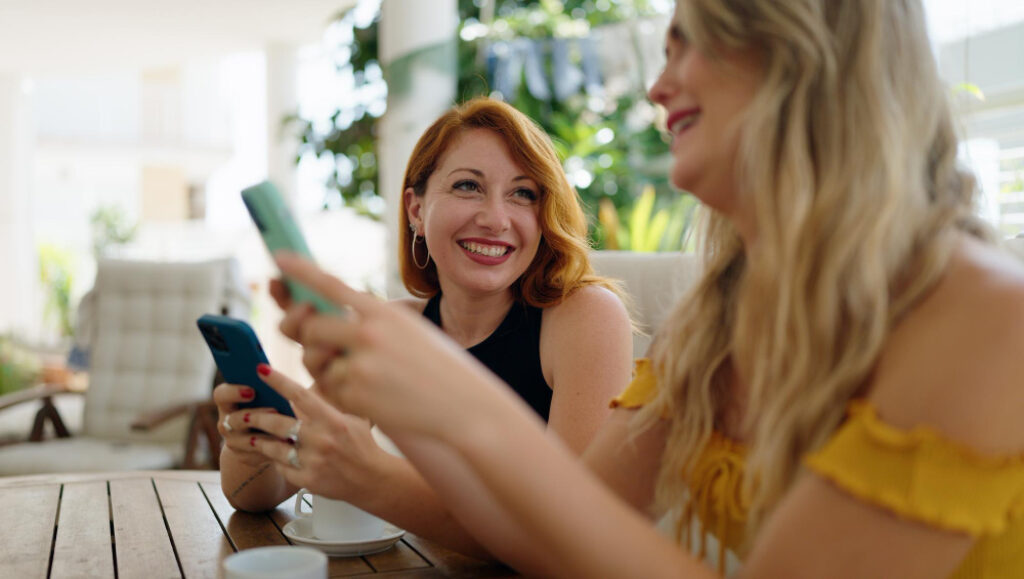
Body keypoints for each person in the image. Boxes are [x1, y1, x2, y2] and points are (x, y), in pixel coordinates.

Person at [268, 0, 1024, 577]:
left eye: (687, 45)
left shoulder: (987, 319)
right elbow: (559, 532)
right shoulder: (725, 317)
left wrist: (454, 402)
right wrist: (417, 407)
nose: (658, 88)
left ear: (800, 50)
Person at [214, 97, 634, 558]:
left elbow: (570, 539)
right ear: (416, 209)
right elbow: (252, 495)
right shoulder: (395, 327)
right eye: (469, 186)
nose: (496, 218)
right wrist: (252, 442)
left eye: (523, 193)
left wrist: (375, 478)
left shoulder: (584, 316)